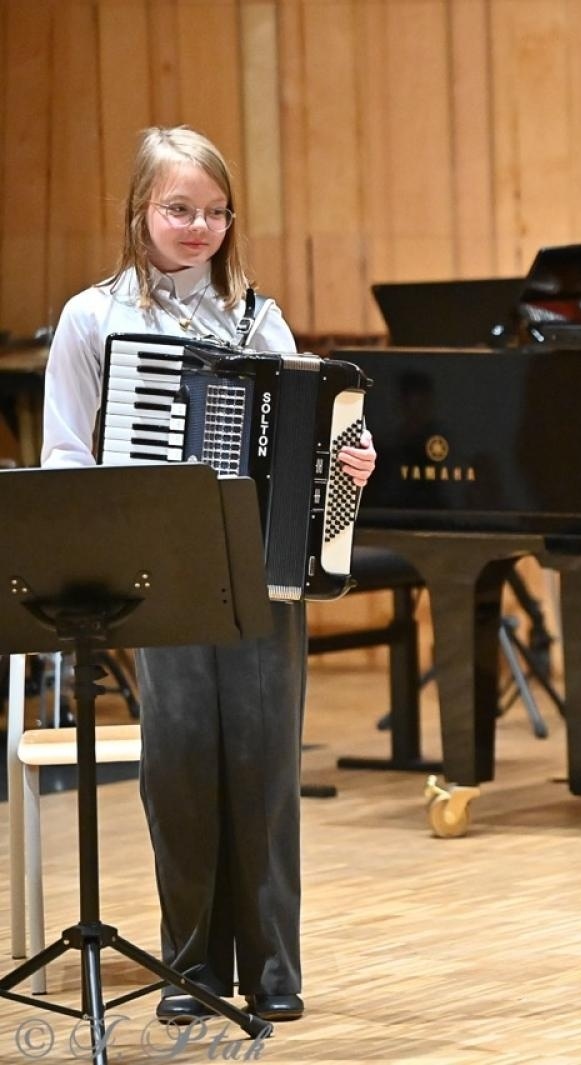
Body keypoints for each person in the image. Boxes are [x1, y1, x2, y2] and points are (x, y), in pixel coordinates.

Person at [40, 125, 377, 1025]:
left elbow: (321, 436)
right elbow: (65, 454)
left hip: (263, 575)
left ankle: (273, 967)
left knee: (265, 766)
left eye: (216, 212)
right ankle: (189, 966)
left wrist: (351, 459)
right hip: (165, 574)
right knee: (181, 768)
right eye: (180, 209)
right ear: (139, 212)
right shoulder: (94, 318)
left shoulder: (257, 318)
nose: (199, 228)